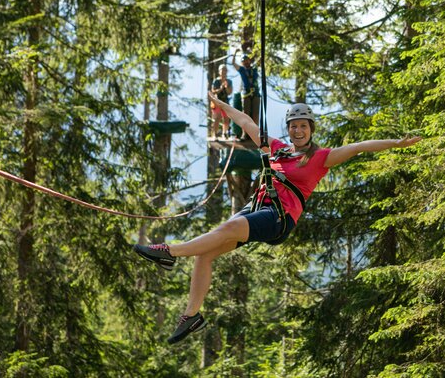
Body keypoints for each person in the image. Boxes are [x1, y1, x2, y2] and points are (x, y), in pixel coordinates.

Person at [133, 93, 422, 344]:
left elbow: (359, 146)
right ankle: (192, 315)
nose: (298, 131)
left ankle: (169, 252)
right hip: (258, 210)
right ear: (289, 129)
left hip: (279, 219)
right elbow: (246, 122)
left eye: (303, 126)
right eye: (293, 126)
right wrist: (222, 106)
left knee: (229, 226)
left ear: (311, 130)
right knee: (205, 254)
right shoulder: (277, 150)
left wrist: (396, 143)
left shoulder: (320, 158)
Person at [231, 49, 260, 128]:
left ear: (249, 60)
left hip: (255, 93)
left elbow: (260, 59)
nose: (246, 62)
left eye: (247, 60)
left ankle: (256, 132)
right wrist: (235, 53)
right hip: (246, 93)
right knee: (245, 114)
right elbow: (233, 63)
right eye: (244, 61)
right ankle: (245, 133)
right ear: (242, 63)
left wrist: (254, 51)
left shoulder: (254, 69)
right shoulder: (242, 70)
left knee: (255, 114)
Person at [210, 64, 233, 138]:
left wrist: (226, 88)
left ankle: (224, 133)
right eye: (222, 70)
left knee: (226, 118)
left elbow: (229, 92)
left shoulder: (229, 81)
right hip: (217, 102)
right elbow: (213, 91)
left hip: (225, 102)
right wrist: (220, 88)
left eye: (225, 70)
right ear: (219, 71)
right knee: (217, 118)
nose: (224, 71)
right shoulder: (216, 81)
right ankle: (214, 134)